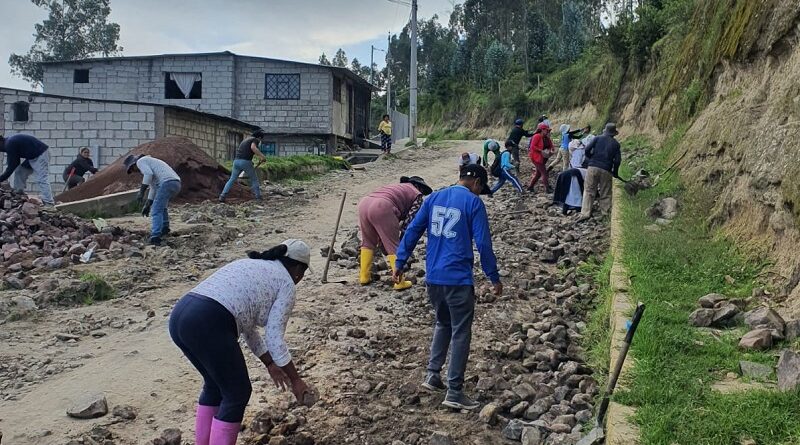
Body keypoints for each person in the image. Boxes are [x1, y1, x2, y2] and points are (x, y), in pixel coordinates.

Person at [169, 239, 313, 445]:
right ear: (299, 269)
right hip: (209, 320)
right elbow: (274, 338)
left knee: (215, 385)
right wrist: (296, 380)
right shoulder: (286, 283)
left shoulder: (253, 265)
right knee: (237, 393)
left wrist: (270, 364)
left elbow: (248, 327)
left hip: (181, 316)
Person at [394, 164, 502, 410]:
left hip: (434, 278)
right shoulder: (474, 204)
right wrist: (493, 276)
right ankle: (454, 391)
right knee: (461, 331)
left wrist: (400, 261)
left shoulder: (434, 197)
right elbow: (484, 245)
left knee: (443, 323)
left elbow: (412, 230)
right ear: (476, 184)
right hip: (458, 279)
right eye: (480, 189)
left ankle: (433, 374)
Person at [358, 176, 433, 290]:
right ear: (419, 187)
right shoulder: (417, 195)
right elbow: (409, 221)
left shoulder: (397, 188)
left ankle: (364, 277)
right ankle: (399, 282)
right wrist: (403, 242)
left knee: (368, 241)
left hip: (364, 203)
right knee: (393, 245)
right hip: (382, 206)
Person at [124, 154, 182, 246]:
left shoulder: (141, 161)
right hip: (175, 183)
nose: (134, 172)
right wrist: (147, 205)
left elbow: (148, 174)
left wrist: (141, 192)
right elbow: (153, 188)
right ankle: (165, 229)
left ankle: (155, 237)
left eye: (132, 170)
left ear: (133, 164)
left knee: (156, 210)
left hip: (167, 183)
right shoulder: (151, 164)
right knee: (161, 207)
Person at [578, 123, 621, 221]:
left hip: (593, 167)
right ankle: (605, 213)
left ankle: (585, 213)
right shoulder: (616, 144)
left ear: (605, 131)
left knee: (589, 190)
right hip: (606, 169)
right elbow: (618, 160)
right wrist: (615, 172)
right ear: (614, 134)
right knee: (605, 191)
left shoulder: (597, 138)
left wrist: (591, 158)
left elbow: (587, 149)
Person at [0, 133, 55, 206]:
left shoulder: (10, 143)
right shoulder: (9, 142)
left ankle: (49, 203)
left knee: (41, 179)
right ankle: (18, 193)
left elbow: (12, 165)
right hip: (32, 157)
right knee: (20, 171)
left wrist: (1, 179)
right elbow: (13, 162)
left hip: (41, 155)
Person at [220, 129, 267, 203]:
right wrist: (262, 156)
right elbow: (253, 148)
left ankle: (222, 195)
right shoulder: (255, 140)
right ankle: (258, 197)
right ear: (260, 137)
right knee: (254, 179)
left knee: (232, 179)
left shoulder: (246, 140)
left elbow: (246, 151)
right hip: (245, 162)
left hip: (236, 161)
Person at [527, 122, 554, 193]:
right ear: (542, 129)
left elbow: (551, 145)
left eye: (548, 131)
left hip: (543, 158)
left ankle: (530, 187)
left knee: (538, 173)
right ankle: (547, 189)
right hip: (536, 158)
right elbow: (532, 146)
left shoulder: (546, 137)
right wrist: (541, 150)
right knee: (544, 173)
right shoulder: (537, 136)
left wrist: (551, 149)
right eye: (547, 130)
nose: (548, 132)